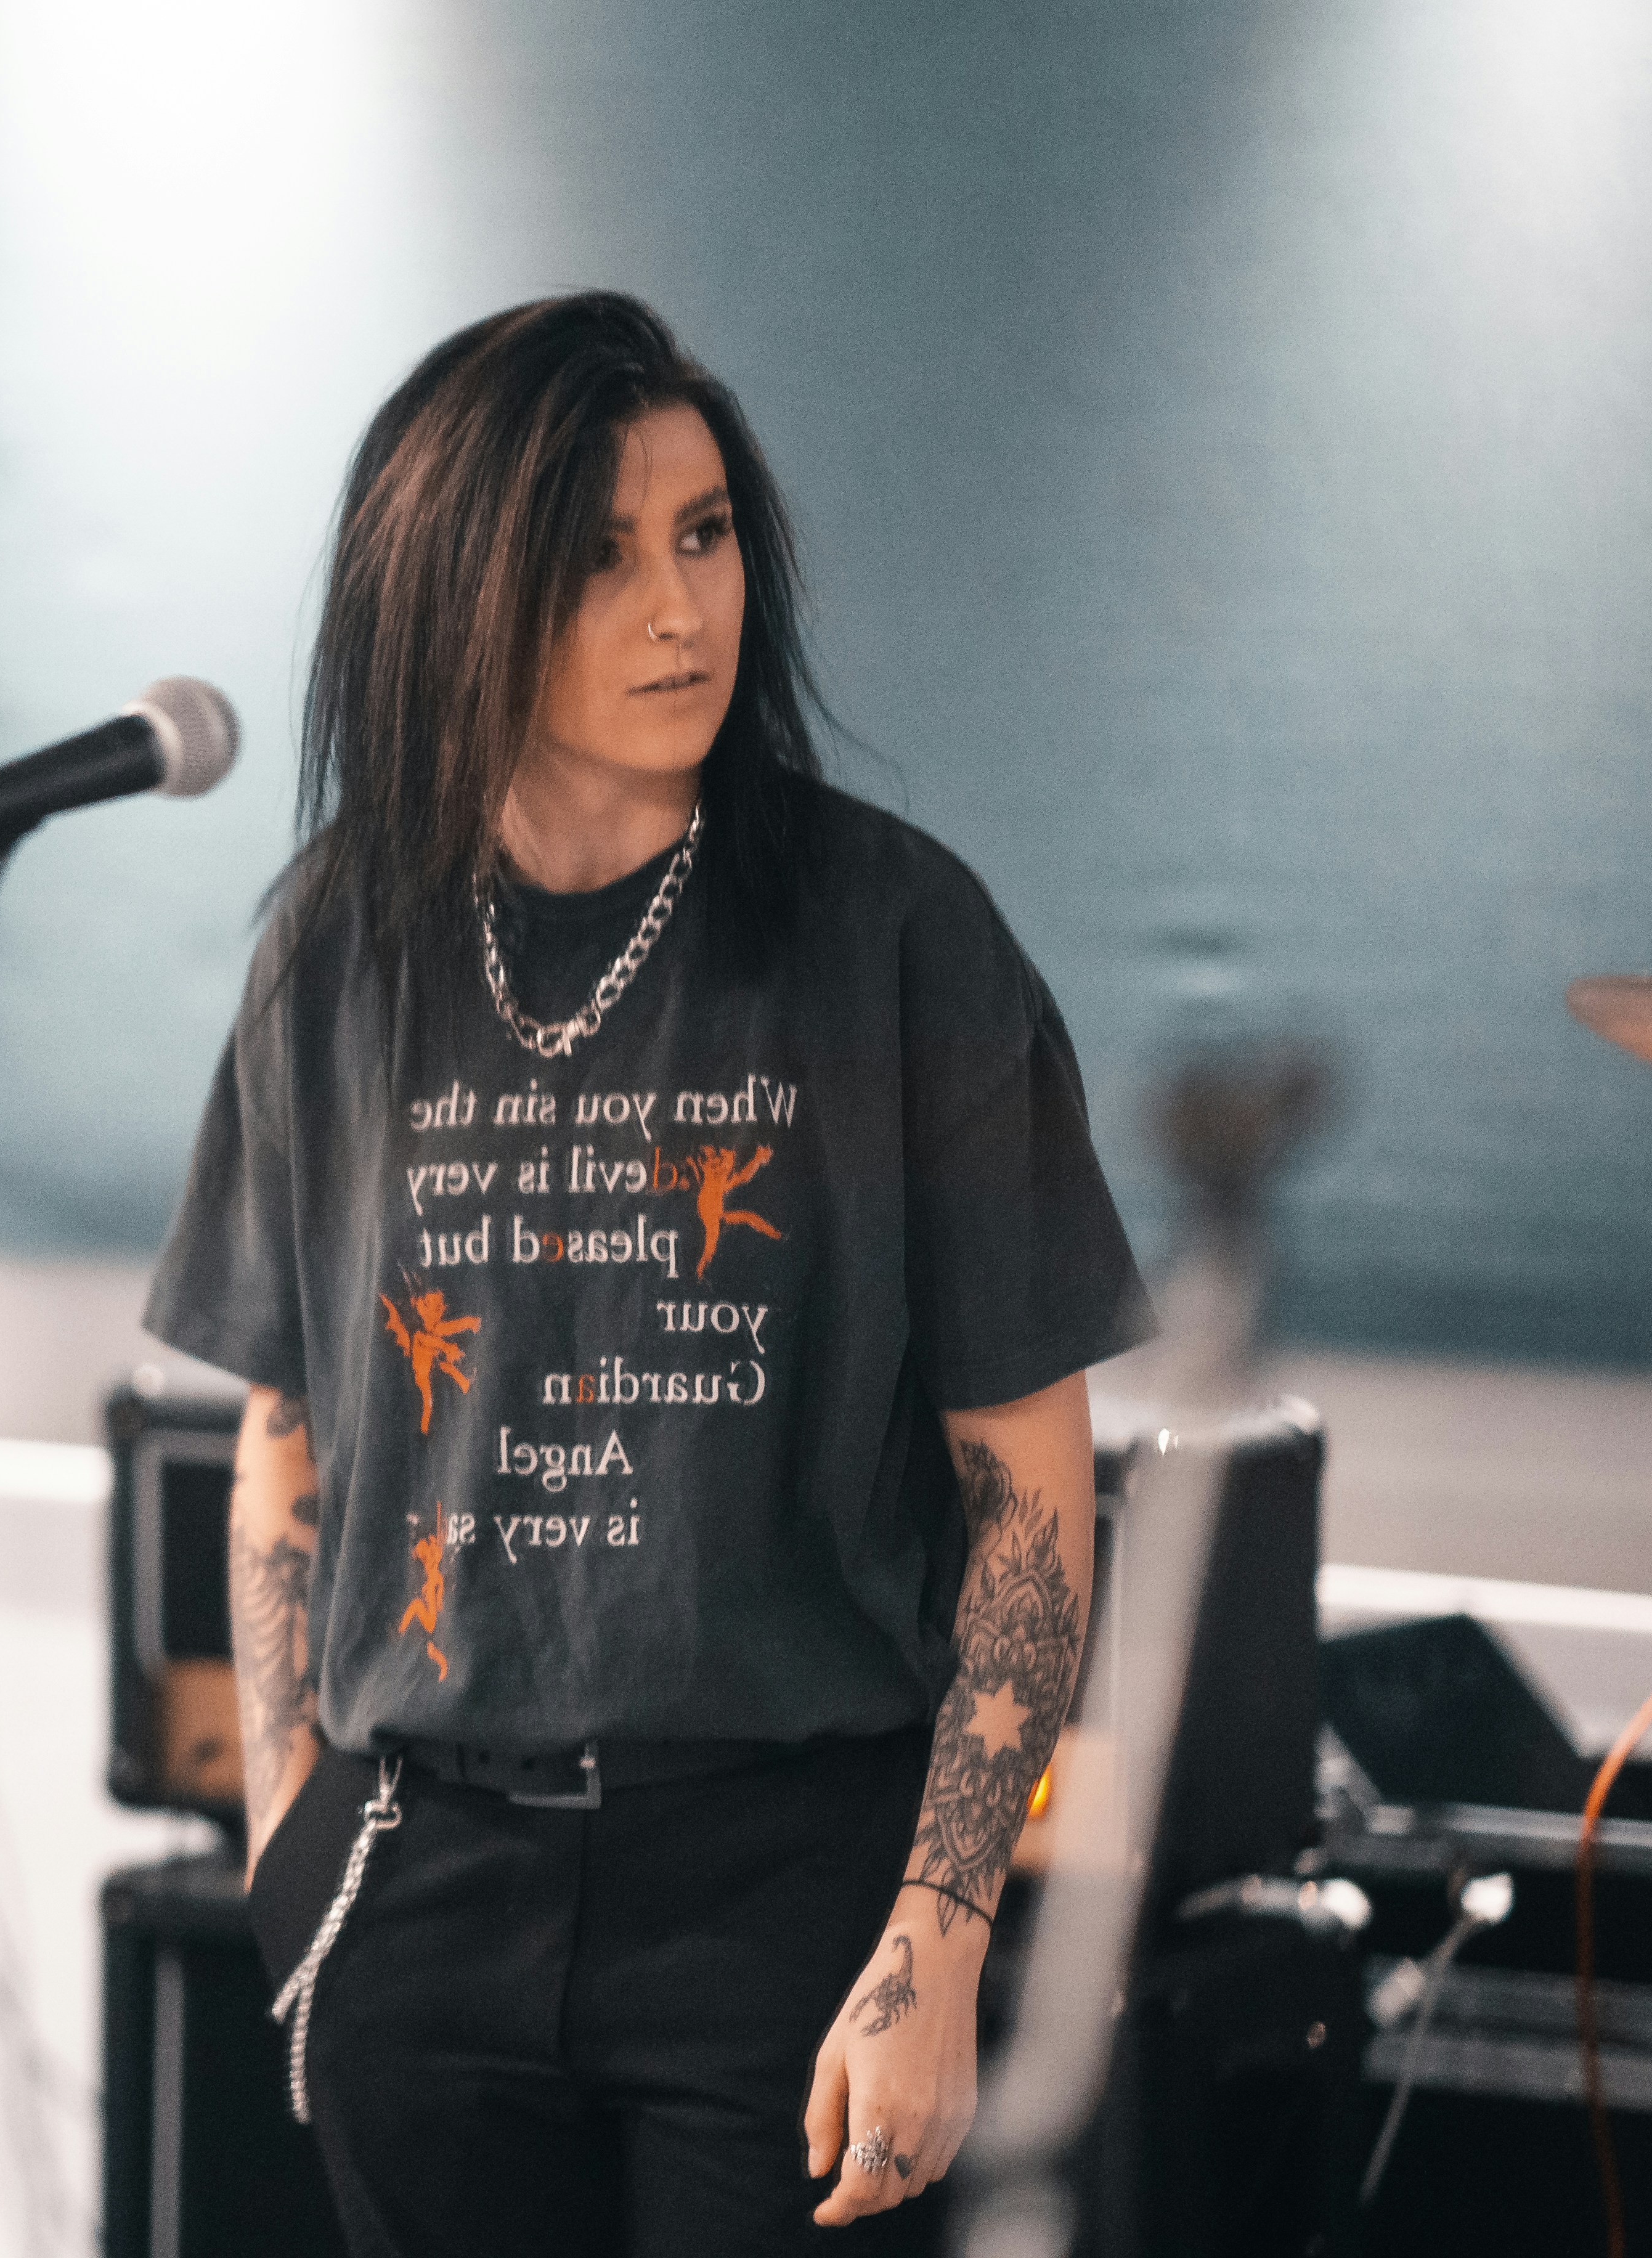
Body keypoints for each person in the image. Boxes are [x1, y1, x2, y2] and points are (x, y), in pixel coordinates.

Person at [147, 292, 1150, 2252]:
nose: (680, 607)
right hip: (417, 1875)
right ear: (455, 590)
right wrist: (290, 1838)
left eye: (703, 538)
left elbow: (1031, 1487)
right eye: (600, 556)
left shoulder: (897, 938)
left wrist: (936, 1945)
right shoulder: (337, 950)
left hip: (783, 1889)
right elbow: (287, 1431)